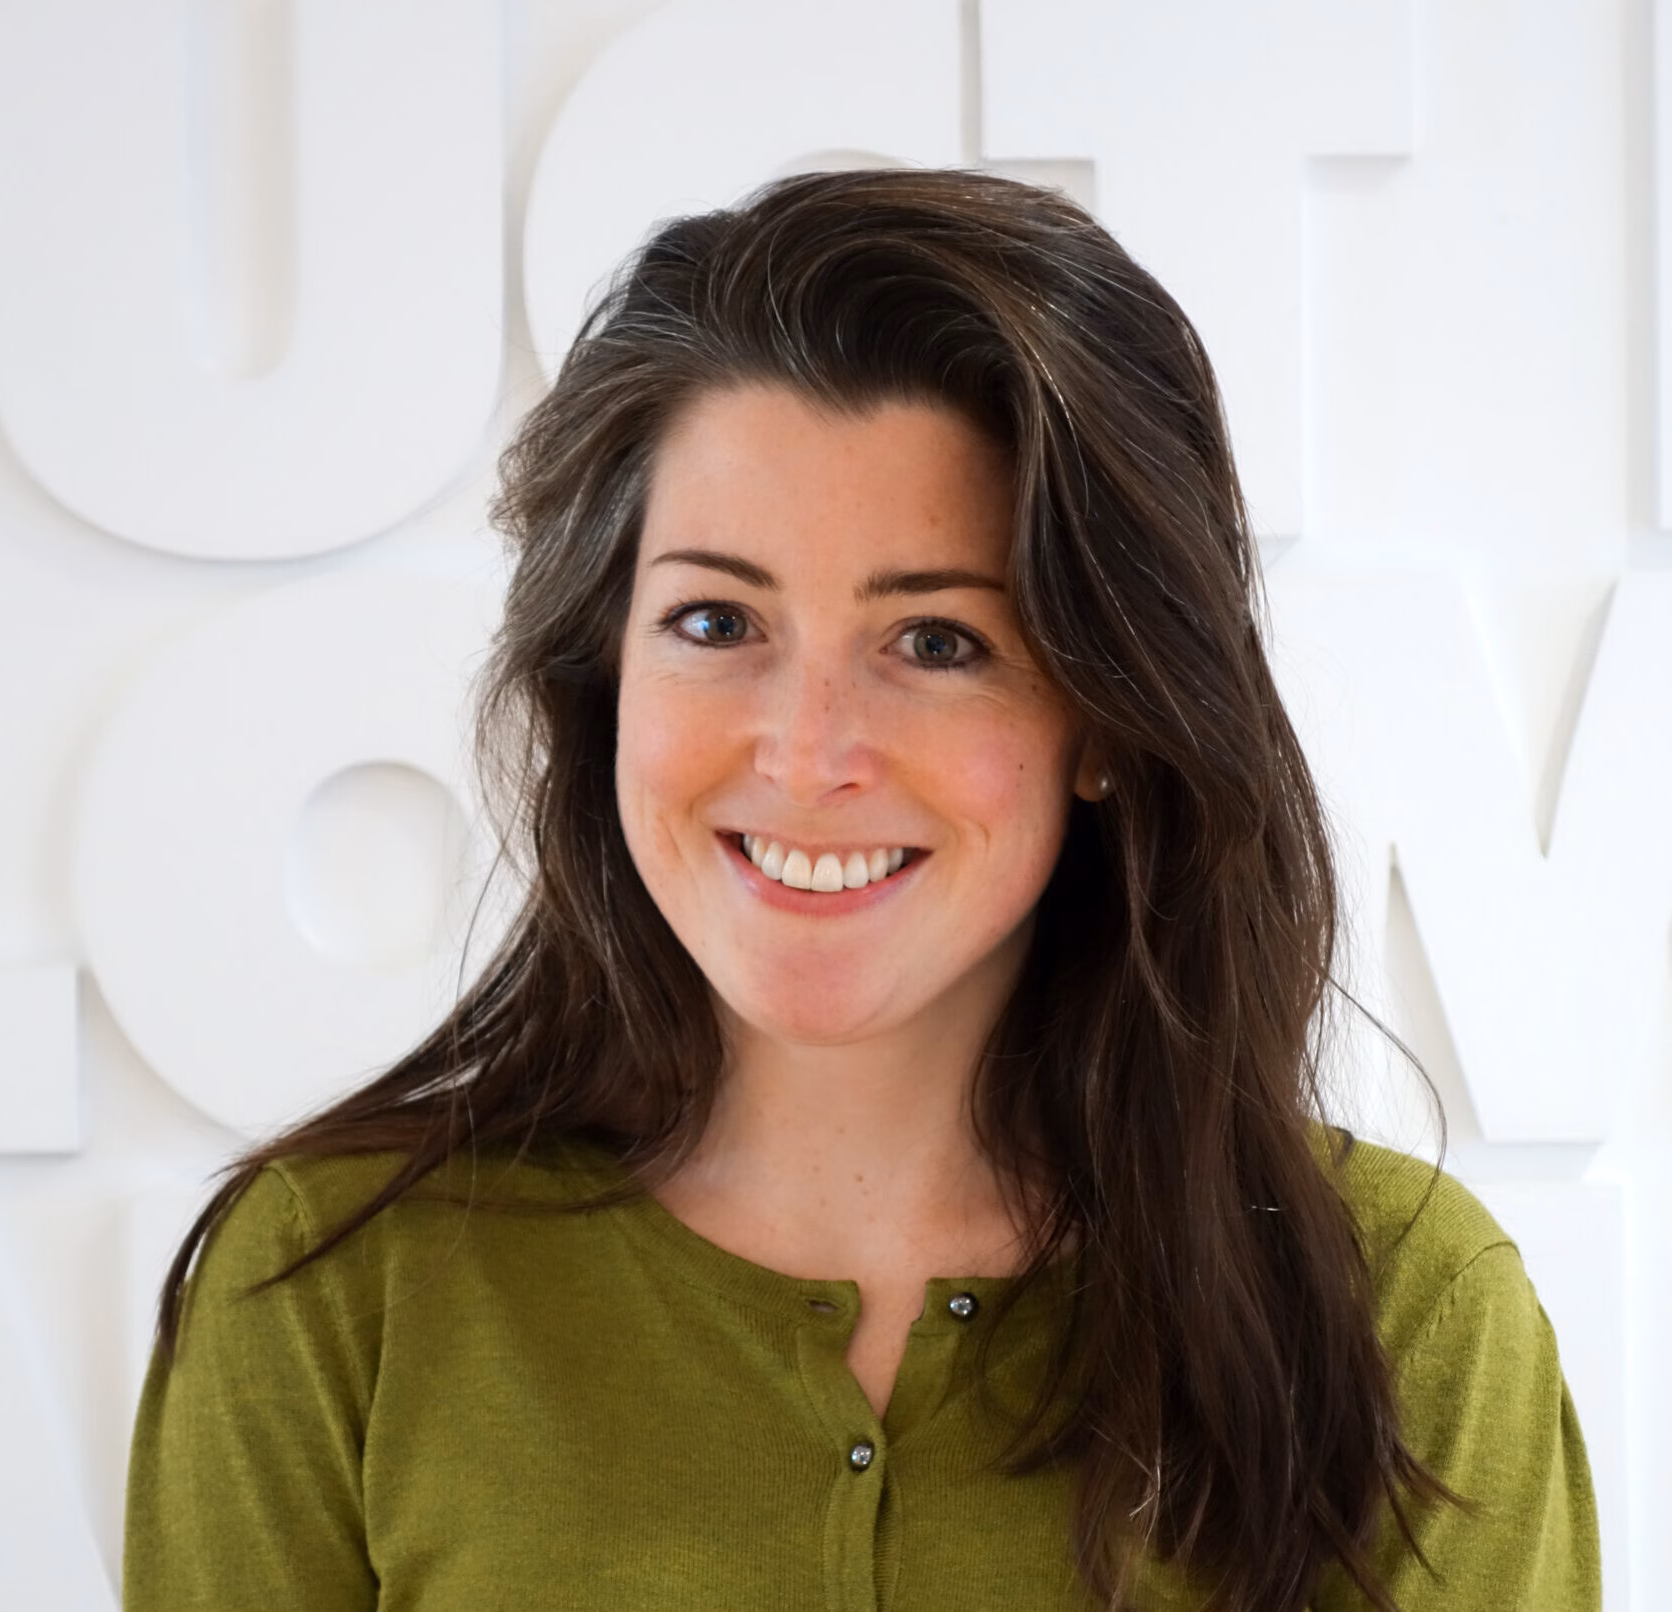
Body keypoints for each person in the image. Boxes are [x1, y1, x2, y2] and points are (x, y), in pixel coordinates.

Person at [123, 169, 1599, 1611]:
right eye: (715, 620)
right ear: (604, 676)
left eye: (936, 642)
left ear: (1104, 715)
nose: (808, 752)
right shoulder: (332, 1293)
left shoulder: (1405, 1313)